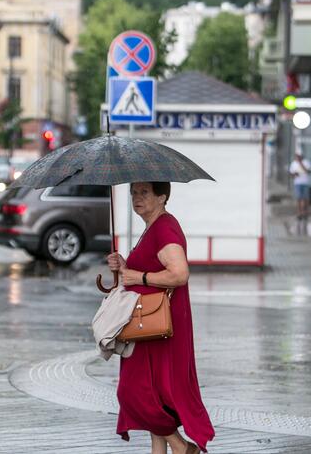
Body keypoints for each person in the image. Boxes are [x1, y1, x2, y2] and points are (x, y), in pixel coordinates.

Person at [107, 182, 214, 454]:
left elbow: (179, 274)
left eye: (144, 192)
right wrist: (124, 266)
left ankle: (180, 447)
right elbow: (150, 268)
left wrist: (138, 277)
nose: (137, 198)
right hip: (149, 327)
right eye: (133, 193)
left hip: (157, 326)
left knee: (134, 392)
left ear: (162, 196)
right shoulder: (153, 227)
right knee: (154, 396)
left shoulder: (165, 227)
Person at [288, 152, 311, 222]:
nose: (297, 157)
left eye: (299, 156)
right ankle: (299, 213)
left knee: (305, 199)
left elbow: (309, 171)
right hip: (297, 183)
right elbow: (291, 174)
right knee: (299, 198)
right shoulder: (293, 163)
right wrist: (294, 174)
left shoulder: (306, 162)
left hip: (305, 183)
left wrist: (301, 164)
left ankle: (305, 213)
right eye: (296, 156)